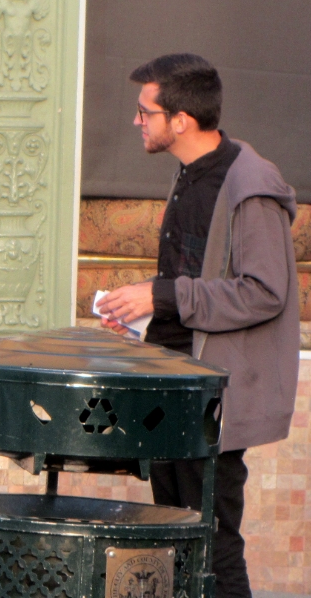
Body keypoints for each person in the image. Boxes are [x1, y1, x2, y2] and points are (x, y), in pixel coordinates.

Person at [96, 53, 299, 598]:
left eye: (146, 112)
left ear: (180, 120)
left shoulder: (249, 186)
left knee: (211, 546)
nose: (137, 121)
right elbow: (194, 289)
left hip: (213, 403)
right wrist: (143, 319)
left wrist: (159, 294)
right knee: (177, 541)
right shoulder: (190, 174)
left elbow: (264, 292)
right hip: (175, 389)